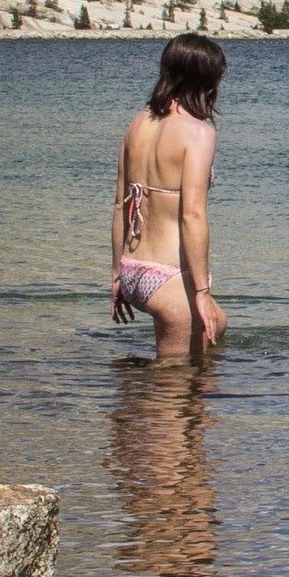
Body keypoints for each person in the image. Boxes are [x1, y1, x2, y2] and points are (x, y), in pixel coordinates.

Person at [112, 33, 227, 355]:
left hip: (133, 268)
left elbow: (121, 205)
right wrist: (201, 291)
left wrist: (117, 273)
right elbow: (192, 215)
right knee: (171, 385)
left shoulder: (137, 124)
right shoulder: (198, 133)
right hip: (168, 276)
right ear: (205, 79)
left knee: (217, 327)